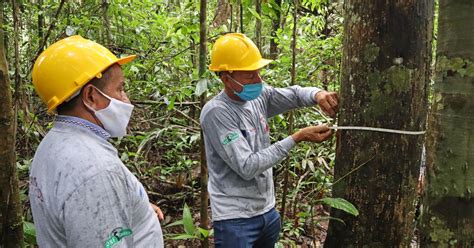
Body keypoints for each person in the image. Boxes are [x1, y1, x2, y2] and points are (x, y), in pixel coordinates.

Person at [200, 33, 339, 247]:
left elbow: (293, 95)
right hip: (235, 220)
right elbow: (247, 166)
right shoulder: (217, 113)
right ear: (226, 78)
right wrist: (297, 137)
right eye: (249, 75)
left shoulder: (259, 96)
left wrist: (318, 94)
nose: (258, 80)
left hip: (267, 213)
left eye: (258, 72)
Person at [29, 36, 164, 247]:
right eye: (120, 89)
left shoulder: (53, 144)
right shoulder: (96, 171)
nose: (126, 99)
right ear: (91, 96)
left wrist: (138, 209)